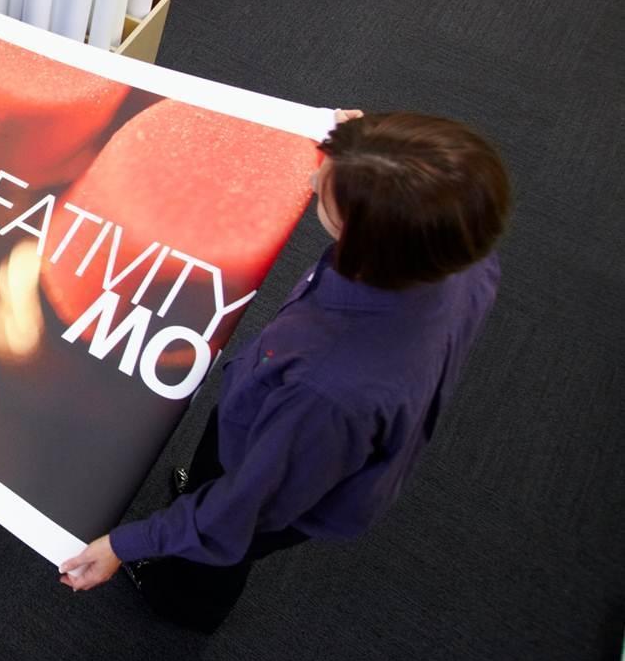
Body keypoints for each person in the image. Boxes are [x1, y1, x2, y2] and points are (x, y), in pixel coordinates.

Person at [57, 109, 511, 632]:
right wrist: (362, 150)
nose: (313, 180)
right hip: (267, 414)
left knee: (219, 546)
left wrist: (126, 544)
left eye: (327, 194)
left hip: (283, 462)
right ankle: (195, 497)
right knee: (214, 472)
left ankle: (181, 600)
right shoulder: (462, 257)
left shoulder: (327, 392)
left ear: (367, 241)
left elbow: (243, 510)